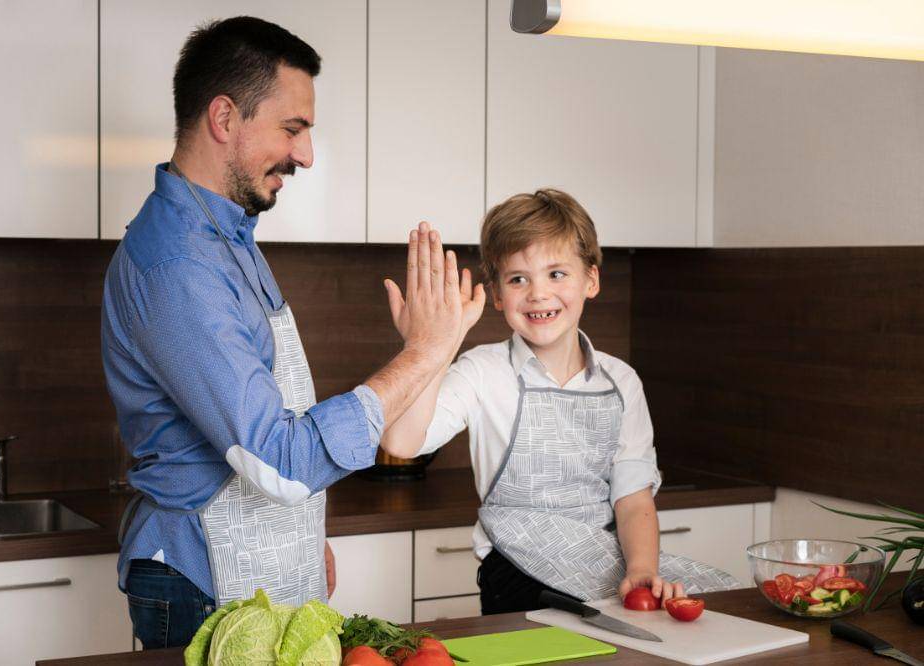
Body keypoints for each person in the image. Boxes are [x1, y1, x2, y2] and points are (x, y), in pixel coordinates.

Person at [100, 16, 484, 649]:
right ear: (224, 118)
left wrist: (302, 533)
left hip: (256, 563)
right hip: (203, 581)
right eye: (292, 129)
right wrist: (425, 352)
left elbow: (264, 411)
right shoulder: (178, 265)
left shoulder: (226, 235)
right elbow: (276, 460)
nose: (306, 155)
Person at [380, 189, 739, 614]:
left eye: (556, 274)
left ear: (591, 280)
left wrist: (642, 568)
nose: (537, 293)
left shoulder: (621, 381)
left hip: (604, 566)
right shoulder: (482, 371)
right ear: (497, 295)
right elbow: (402, 443)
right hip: (515, 575)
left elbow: (632, 497)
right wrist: (431, 346)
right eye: (518, 279)